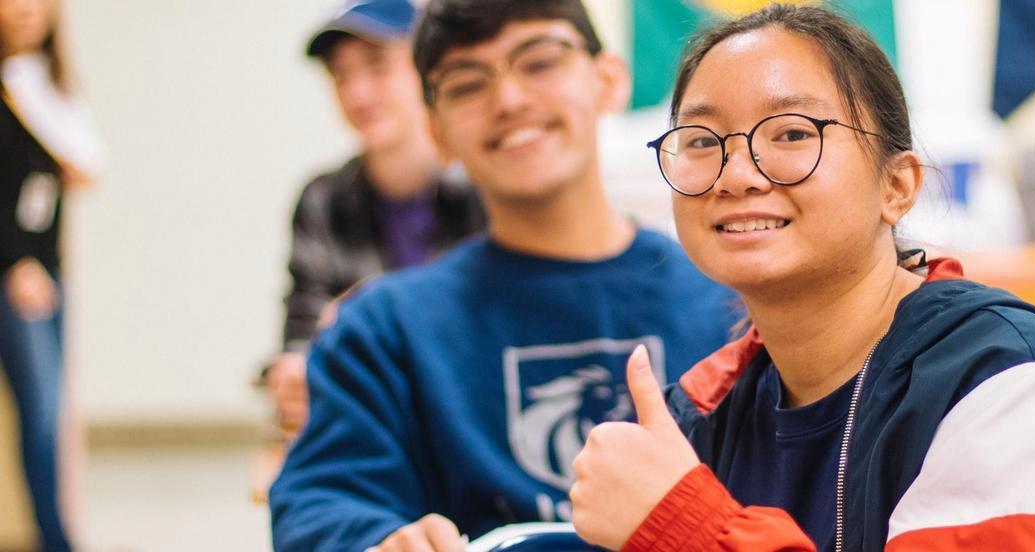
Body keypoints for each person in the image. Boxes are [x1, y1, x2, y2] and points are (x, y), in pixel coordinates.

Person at [569, 5, 1035, 551]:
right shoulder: (701, 414)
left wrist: (684, 525)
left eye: (792, 133)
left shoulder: (999, 376)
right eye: (702, 141)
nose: (737, 174)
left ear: (897, 186)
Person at [267, 1, 739, 550]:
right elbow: (322, 505)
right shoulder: (382, 332)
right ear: (435, 128)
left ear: (608, 81)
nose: (509, 100)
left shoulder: (732, 301)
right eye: (467, 85)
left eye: (539, 62)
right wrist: (383, 541)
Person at [264, 0, 486, 432]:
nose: (357, 94)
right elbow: (303, 332)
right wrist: (293, 374)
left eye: (378, 66)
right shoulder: (321, 199)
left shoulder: (485, 191)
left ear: (427, 70)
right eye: (340, 75)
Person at [0, 0, 103, 550]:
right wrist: (16, 261)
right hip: (16, 275)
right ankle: (55, 540)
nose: (27, 8)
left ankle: (57, 534)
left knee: (53, 414)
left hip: (48, 271)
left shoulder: (47, 86)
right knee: (40, 411)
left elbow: (83, 169)